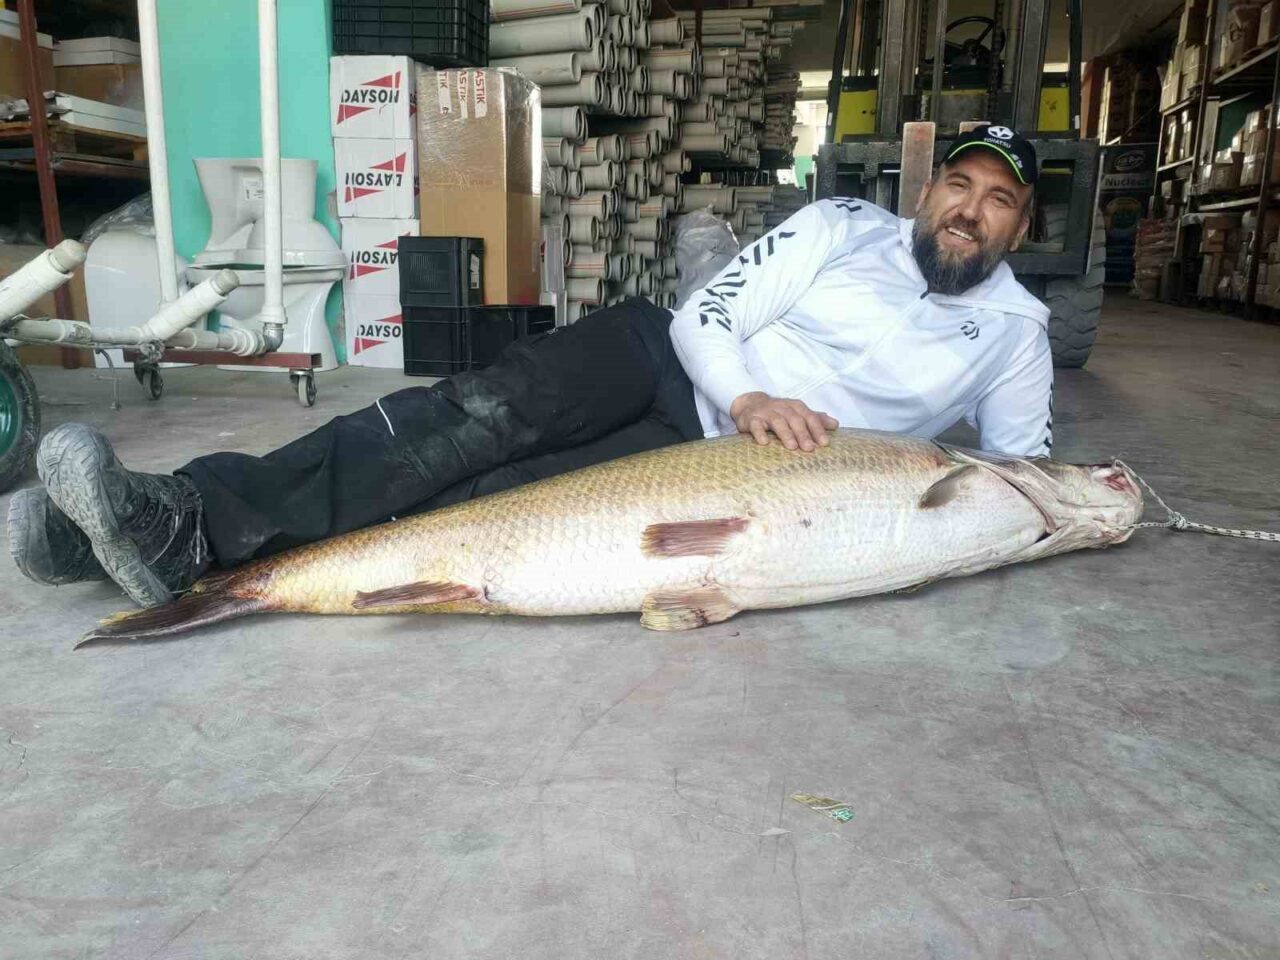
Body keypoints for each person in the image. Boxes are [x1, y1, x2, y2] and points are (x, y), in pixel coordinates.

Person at [8, 124, 1054, 610]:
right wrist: (749, 394)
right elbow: (710, 311)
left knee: (489, 503)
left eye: (994, 199)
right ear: (928, 193)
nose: (964, 208)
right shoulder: (840, 227)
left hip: (729, 468)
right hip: (669, 360)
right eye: (954, 185)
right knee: (461, 421)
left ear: (1020, 225)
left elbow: (1017, 473)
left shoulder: (1014, 334)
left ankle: (119, 543)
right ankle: (173, 519)